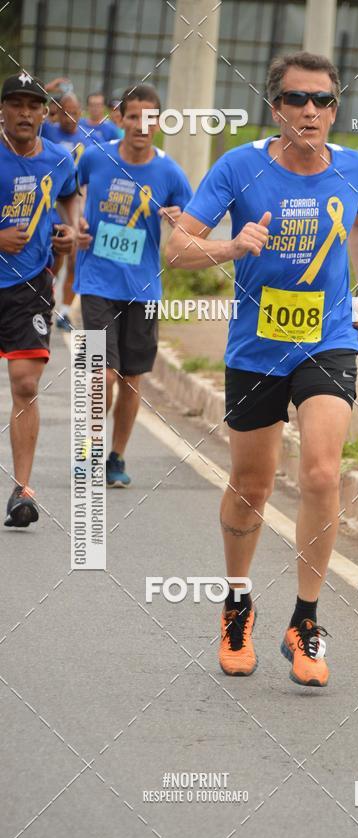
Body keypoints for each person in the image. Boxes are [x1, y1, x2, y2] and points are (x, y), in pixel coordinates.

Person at [166, 52, 358, 687]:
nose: (309, 111)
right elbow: (177, 249)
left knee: (321, 472)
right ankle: (237, 602)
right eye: (295, 100)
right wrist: (231, 246)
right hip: (256, 348)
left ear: (334, 109)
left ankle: (306, 620)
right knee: (252, 486)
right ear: (275, 108)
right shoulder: (240, 166)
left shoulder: (356, 168)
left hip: (328, 342)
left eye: (322, 101)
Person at [74, 84, 192, 488]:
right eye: (134, 117)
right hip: (97, 280)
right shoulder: (95, 157)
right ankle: (90, 450)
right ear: (119, 119)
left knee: (131, 379)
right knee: (101, 374)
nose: (142, 126)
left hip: (144, 288)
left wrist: (179, 220)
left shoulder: (170, 172)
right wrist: (77, 224)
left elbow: (193, 223)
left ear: (159, 122)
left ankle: (116, 456)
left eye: (150, 118)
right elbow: (69, 195)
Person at [0, 72, 77, 527]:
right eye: (16, 104)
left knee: (26, 385)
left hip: (29, 285)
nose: (25, 113)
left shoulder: (58, 159)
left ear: (46, 113)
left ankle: (22, 490)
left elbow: (70, 203)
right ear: (3, 111)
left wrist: (69, 232)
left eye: (34, 105)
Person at [44, 92, 94, 329]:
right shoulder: (46, 131)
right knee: (54, 260)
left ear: (80, 113)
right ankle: (46, 294)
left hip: (75, 205)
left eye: (74, 113)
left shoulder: (90, 139)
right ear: (57, 111)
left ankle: (64, 311)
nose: (70, 117)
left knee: (74, 259)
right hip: (48, 204)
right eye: (65, 112)